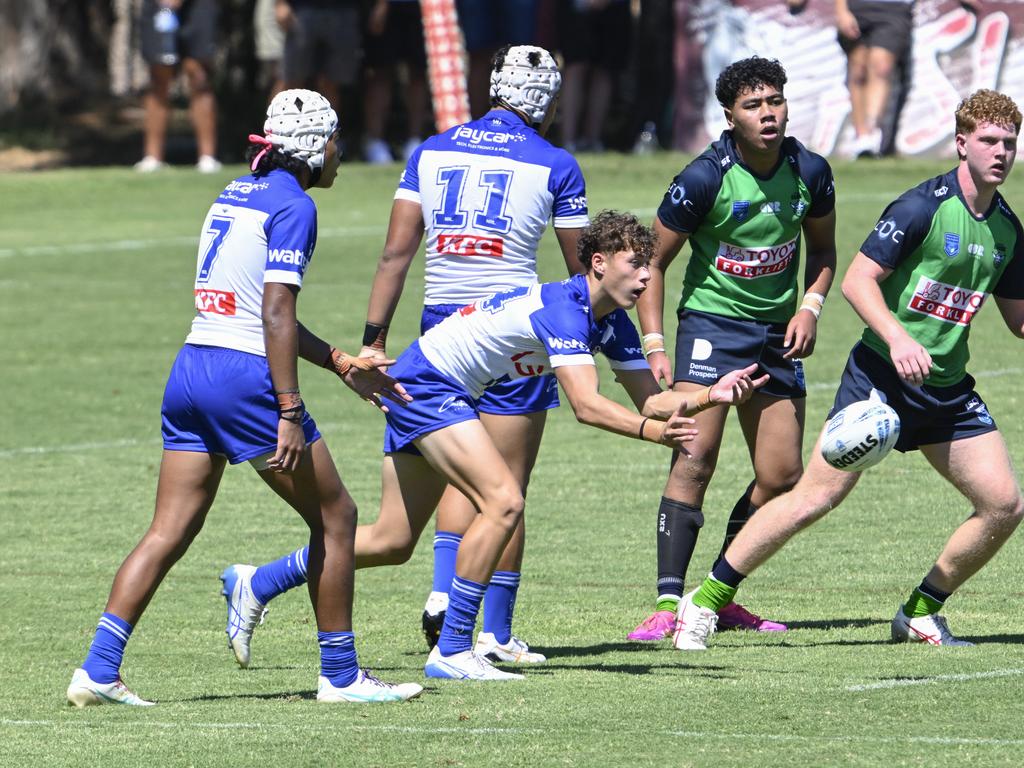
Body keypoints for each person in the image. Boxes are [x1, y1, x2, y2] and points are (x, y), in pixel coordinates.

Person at [241, 210, 769, 682]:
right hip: (427, 386)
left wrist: (709, 395)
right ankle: (453, 649)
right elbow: (586, 406)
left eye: (650, 266)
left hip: (425, 383)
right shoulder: (565, 310)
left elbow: (652, 400)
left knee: (392, 541)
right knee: (504, 501)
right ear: (600, 263)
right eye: (637, 264)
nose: (649, 276)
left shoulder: (613, 324)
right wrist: (653, 434)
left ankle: (258, 580)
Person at [221, 44, 587, 669]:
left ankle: (265, 580)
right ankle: (488, 632)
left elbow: (396, 254)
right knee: (504, 490)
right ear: (547, 103)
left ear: (491, 87)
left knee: (401, 530)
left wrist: (373, 339)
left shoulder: (430, 150)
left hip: (435, 347)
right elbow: (585, 273)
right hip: (512, 343)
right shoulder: (556, 163)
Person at [67, 89, 422, 707]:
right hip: (243, 379)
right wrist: (288, 409)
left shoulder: (233, 191)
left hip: (192, 368)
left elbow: (256, 310)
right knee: (336, 518)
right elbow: (275, 312)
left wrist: (339, 361)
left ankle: (97, 670)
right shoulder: (297, 208)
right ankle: (340, 676)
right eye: (335, 140)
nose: (339, 152)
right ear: (313, 147)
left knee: (167, 530)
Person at [674, 89, 1024, 651]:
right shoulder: (921, 208)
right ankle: (706, 600)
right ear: (962, 144)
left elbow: (1018, 322)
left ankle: (921, 610)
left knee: (1004, 505)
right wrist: (898, 336)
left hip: (946, 391)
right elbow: (858, 279)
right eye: (988, 140)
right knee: (814, 498)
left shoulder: (1006, 228)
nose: (1000, 152)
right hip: (881, 379)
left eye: (1009, 142)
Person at [629, 56, 837, 641]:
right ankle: (669, 605)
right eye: (753, 105)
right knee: (695, 459)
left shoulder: (811, 172)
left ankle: (714, 595)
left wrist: (809, 307)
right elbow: (652, 261)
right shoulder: (703, 178)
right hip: (712, 329)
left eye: (774, 101)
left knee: (782, 474)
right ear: (730, 117)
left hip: (777, 336)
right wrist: (654, 344)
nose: (767, 114)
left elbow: (822, 252)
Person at [135, 0, 221, 173]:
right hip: (158, 7)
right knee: (159, 78)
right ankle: (152, 158)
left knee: (199, 76)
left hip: (198, 7)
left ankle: (207, 158)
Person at [835, 0, 914, 158]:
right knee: (858, 71)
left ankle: (871, 133)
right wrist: (841, 10)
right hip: (856, 7)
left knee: (881, 66)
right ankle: (862, 138)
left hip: (894, 7)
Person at [556, 0, 632, 153]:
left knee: (605, 69)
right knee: (575, 65)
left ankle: (592, 140)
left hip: (615, 8)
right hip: (575, 7)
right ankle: (568, 141)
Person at [362, 0, 431, 164]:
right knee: (380, 72)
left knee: (418, 74)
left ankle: (415, 141)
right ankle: (375, 143)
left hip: (422, 7)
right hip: (387, 8)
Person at [275, 0, 362, 122]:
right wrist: (280, 3)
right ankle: (275, 135)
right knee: (290, 81)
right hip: (301, 10)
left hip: (343, 9)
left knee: (332, 83)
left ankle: (326, 136)